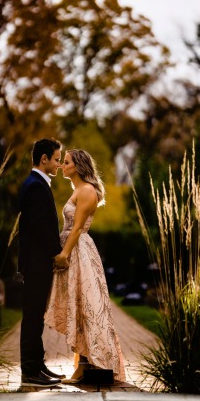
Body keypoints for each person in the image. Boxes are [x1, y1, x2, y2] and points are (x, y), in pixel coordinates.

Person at [45, 149, 125, 383]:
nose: (61, 166)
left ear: (78, 166)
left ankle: (86, 366)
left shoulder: (87, 190)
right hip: (73, 248)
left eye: (66, 162)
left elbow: (78, 227)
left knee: (85, 305)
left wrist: (65, 254)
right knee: (78, 306)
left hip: (79, 252)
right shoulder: (78, 190)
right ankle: (82, 366)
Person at [18, 138, 66, 387]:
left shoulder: (37, 183)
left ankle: (38, 366)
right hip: (36, 263)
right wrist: (58, 254)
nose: (59, 164)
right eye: (57, 159)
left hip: (37, 263)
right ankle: (29, 371)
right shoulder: (36, 186)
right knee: (32, 317)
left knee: (36, 317)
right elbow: (39, 228)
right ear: (44, 158)